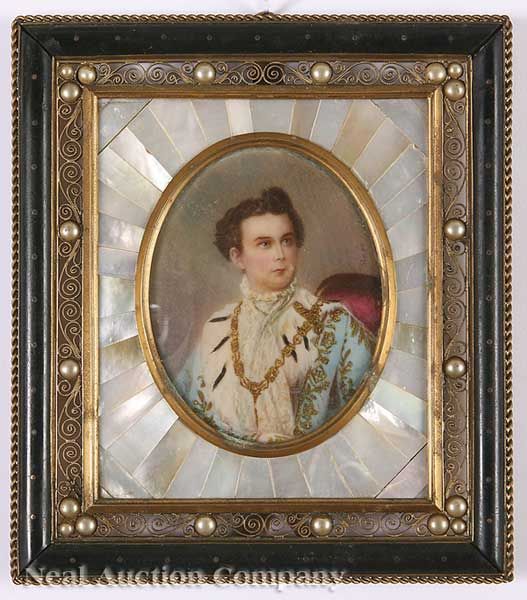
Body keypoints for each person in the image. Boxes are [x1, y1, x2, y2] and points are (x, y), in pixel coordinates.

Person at [175, 187, 374, 445]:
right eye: (265, 244)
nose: (280, 255)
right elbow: (188, 417)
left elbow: (366, 419)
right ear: (238, 257)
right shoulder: (217, 328)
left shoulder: (332, 322)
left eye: (287, 241)